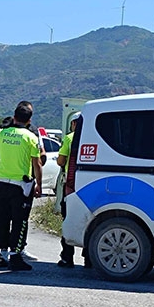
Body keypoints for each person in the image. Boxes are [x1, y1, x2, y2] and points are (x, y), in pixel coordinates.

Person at [0, 105, 42, 271]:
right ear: (29, 120)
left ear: (14, 116)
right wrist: (39, 184)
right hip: (20, 185)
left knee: (1, 220)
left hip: (2, 183)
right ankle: (15, 256)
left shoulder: (1, 133)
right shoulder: (30, 137)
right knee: (19, 221)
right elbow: (37, 163)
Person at [56, 112, 91, 269]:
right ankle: (89, 259)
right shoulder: (92, 136)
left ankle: (67, 257)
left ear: (74, 124)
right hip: (89, 185)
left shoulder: (70, 138)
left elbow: (61, 161)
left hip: (71, 186)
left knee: (68, 219)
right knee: (90, 221)